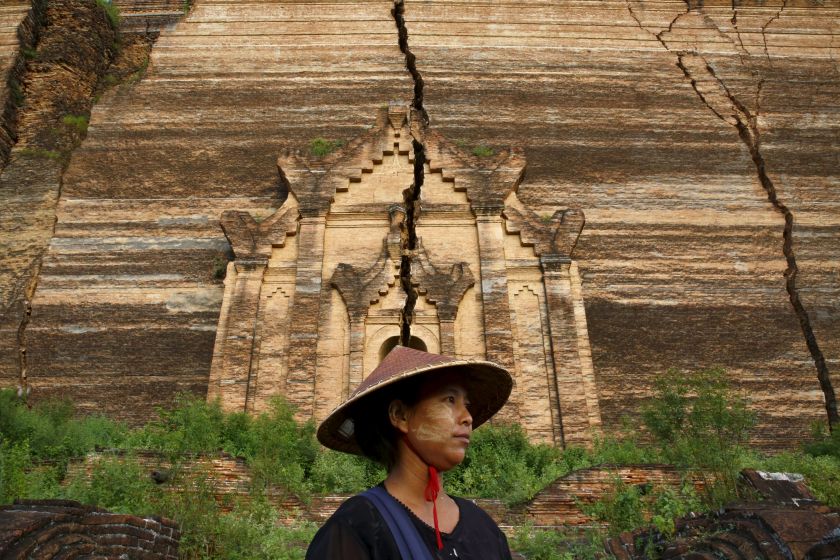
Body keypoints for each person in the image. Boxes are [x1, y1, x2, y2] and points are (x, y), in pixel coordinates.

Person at [306, 345, 515, 560]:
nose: (468, 417)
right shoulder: (357, 528)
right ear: (401, 416)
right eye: (450, 400)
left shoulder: (483, 527)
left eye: (467, 404)